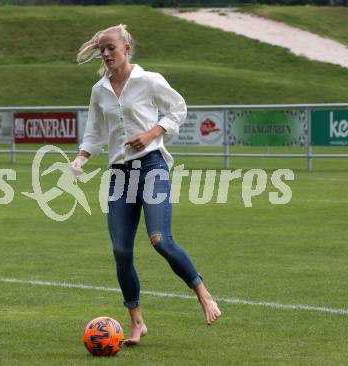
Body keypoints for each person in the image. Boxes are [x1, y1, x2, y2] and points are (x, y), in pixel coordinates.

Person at [73, 24, 221, 345]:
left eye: (111, 47)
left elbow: (178, 109)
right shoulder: (99, 90)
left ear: (127, 48)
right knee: (121, 250)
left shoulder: (149, 80)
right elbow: (94, 131)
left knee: (160, 240)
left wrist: (153, 133)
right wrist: (82, 158)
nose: (106, 53)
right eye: (102, 49)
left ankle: (204, 295)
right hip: (119, 176)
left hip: (152, 167)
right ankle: (137, 322)